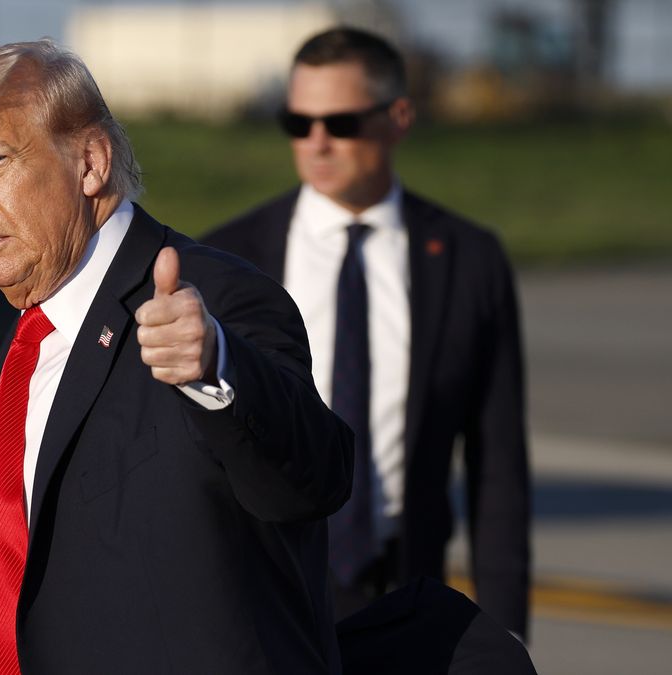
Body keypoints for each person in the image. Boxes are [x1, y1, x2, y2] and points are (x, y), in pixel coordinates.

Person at [0, 40, 353, 674]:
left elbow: (313, 476)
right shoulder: (31, 336)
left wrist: (216, 368)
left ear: (90, 163)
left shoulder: (211, 299)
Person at [204, 27, 531, 639]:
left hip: (407, 586)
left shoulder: (469, 258)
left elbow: (499, 464)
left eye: (342, 123)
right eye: (299, 123)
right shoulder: (229, 256)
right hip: (266, 589)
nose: (317, 142)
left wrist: (507, 629)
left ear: (398, 118)